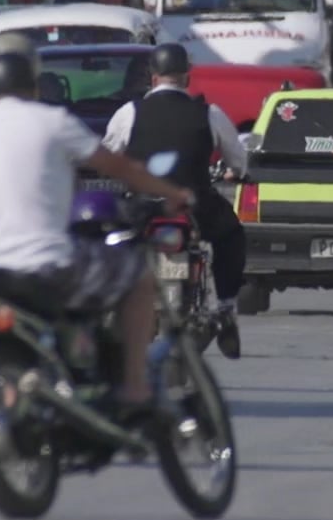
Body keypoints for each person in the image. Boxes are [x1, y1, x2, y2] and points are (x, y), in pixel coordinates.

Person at [0, 51, 195, 420]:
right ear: (34, 87)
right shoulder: (52, 121)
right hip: (46, 267)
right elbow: (117, 165)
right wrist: (172, 193)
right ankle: (134, 386)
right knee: (138, 277)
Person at [102, 43, 249, 358]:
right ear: (187, 76)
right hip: (193, 207)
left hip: (143, 208)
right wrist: (236, 173)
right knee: (232, 236)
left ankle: (113, 302)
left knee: (110, 240)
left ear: (153, 77)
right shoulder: (209, 113)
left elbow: (108, 155)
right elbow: (238, 161)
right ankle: (225, 308)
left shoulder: (129, 113)